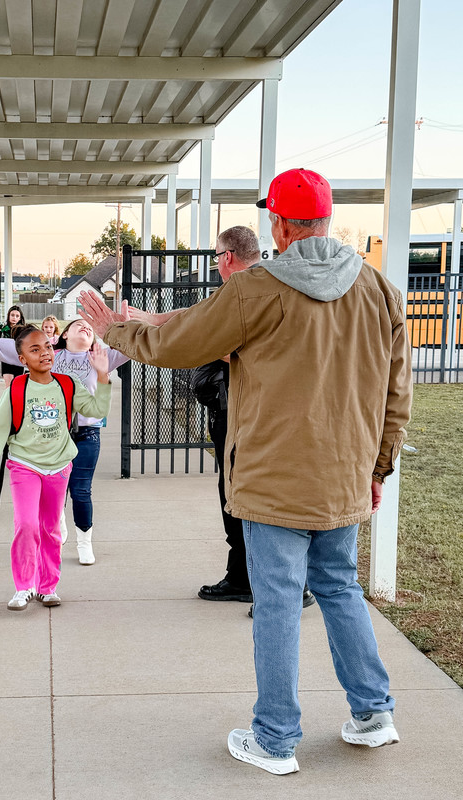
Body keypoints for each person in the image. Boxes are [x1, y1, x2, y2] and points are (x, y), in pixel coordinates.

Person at [78, 168, 413, 775]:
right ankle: (373, 713)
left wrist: (114, 331)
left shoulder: (258, 286)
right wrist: (378, 469)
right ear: (327, 219)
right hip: (344, 479)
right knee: (339, 587)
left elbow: (183, 343)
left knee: (280, 600)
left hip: (272, 481)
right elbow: (397, 395)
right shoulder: (381, 292)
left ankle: (276, 739)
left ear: (279, 225)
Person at [129, 226, 315, 611]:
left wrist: (153, 332)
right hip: (242, 414)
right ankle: (246, 578)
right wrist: (154, 317)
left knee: (251, 500)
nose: (215, 263)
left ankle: (285, 587)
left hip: (248, 415)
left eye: (216, 256)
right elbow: (197, 316)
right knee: (237, 498)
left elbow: (228, 345)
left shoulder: (251, 289)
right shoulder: (251, 289)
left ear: (227, 256)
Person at [0, 325, 112, 611]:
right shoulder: (17, 388)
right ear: (22, 358)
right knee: (26, 525)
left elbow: (97, 411)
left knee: (51, 529)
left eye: (47, 347)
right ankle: (24, 586)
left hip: (59, 466)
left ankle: (47, 587)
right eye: (35, 350)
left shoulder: (67, 383)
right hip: (24, 465)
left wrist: (102, 374)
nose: (45, 353)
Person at [0, 305, 26, 387]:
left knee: (18, 385)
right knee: (8, 386)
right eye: (12, 315)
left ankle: (16, 399)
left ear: (20, 318)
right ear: (8, 316)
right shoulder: (2, 328)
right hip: (6, 360)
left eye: (17, 316)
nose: (14, 318)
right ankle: (9, 399)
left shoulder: (23, 330)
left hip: (18, 360)